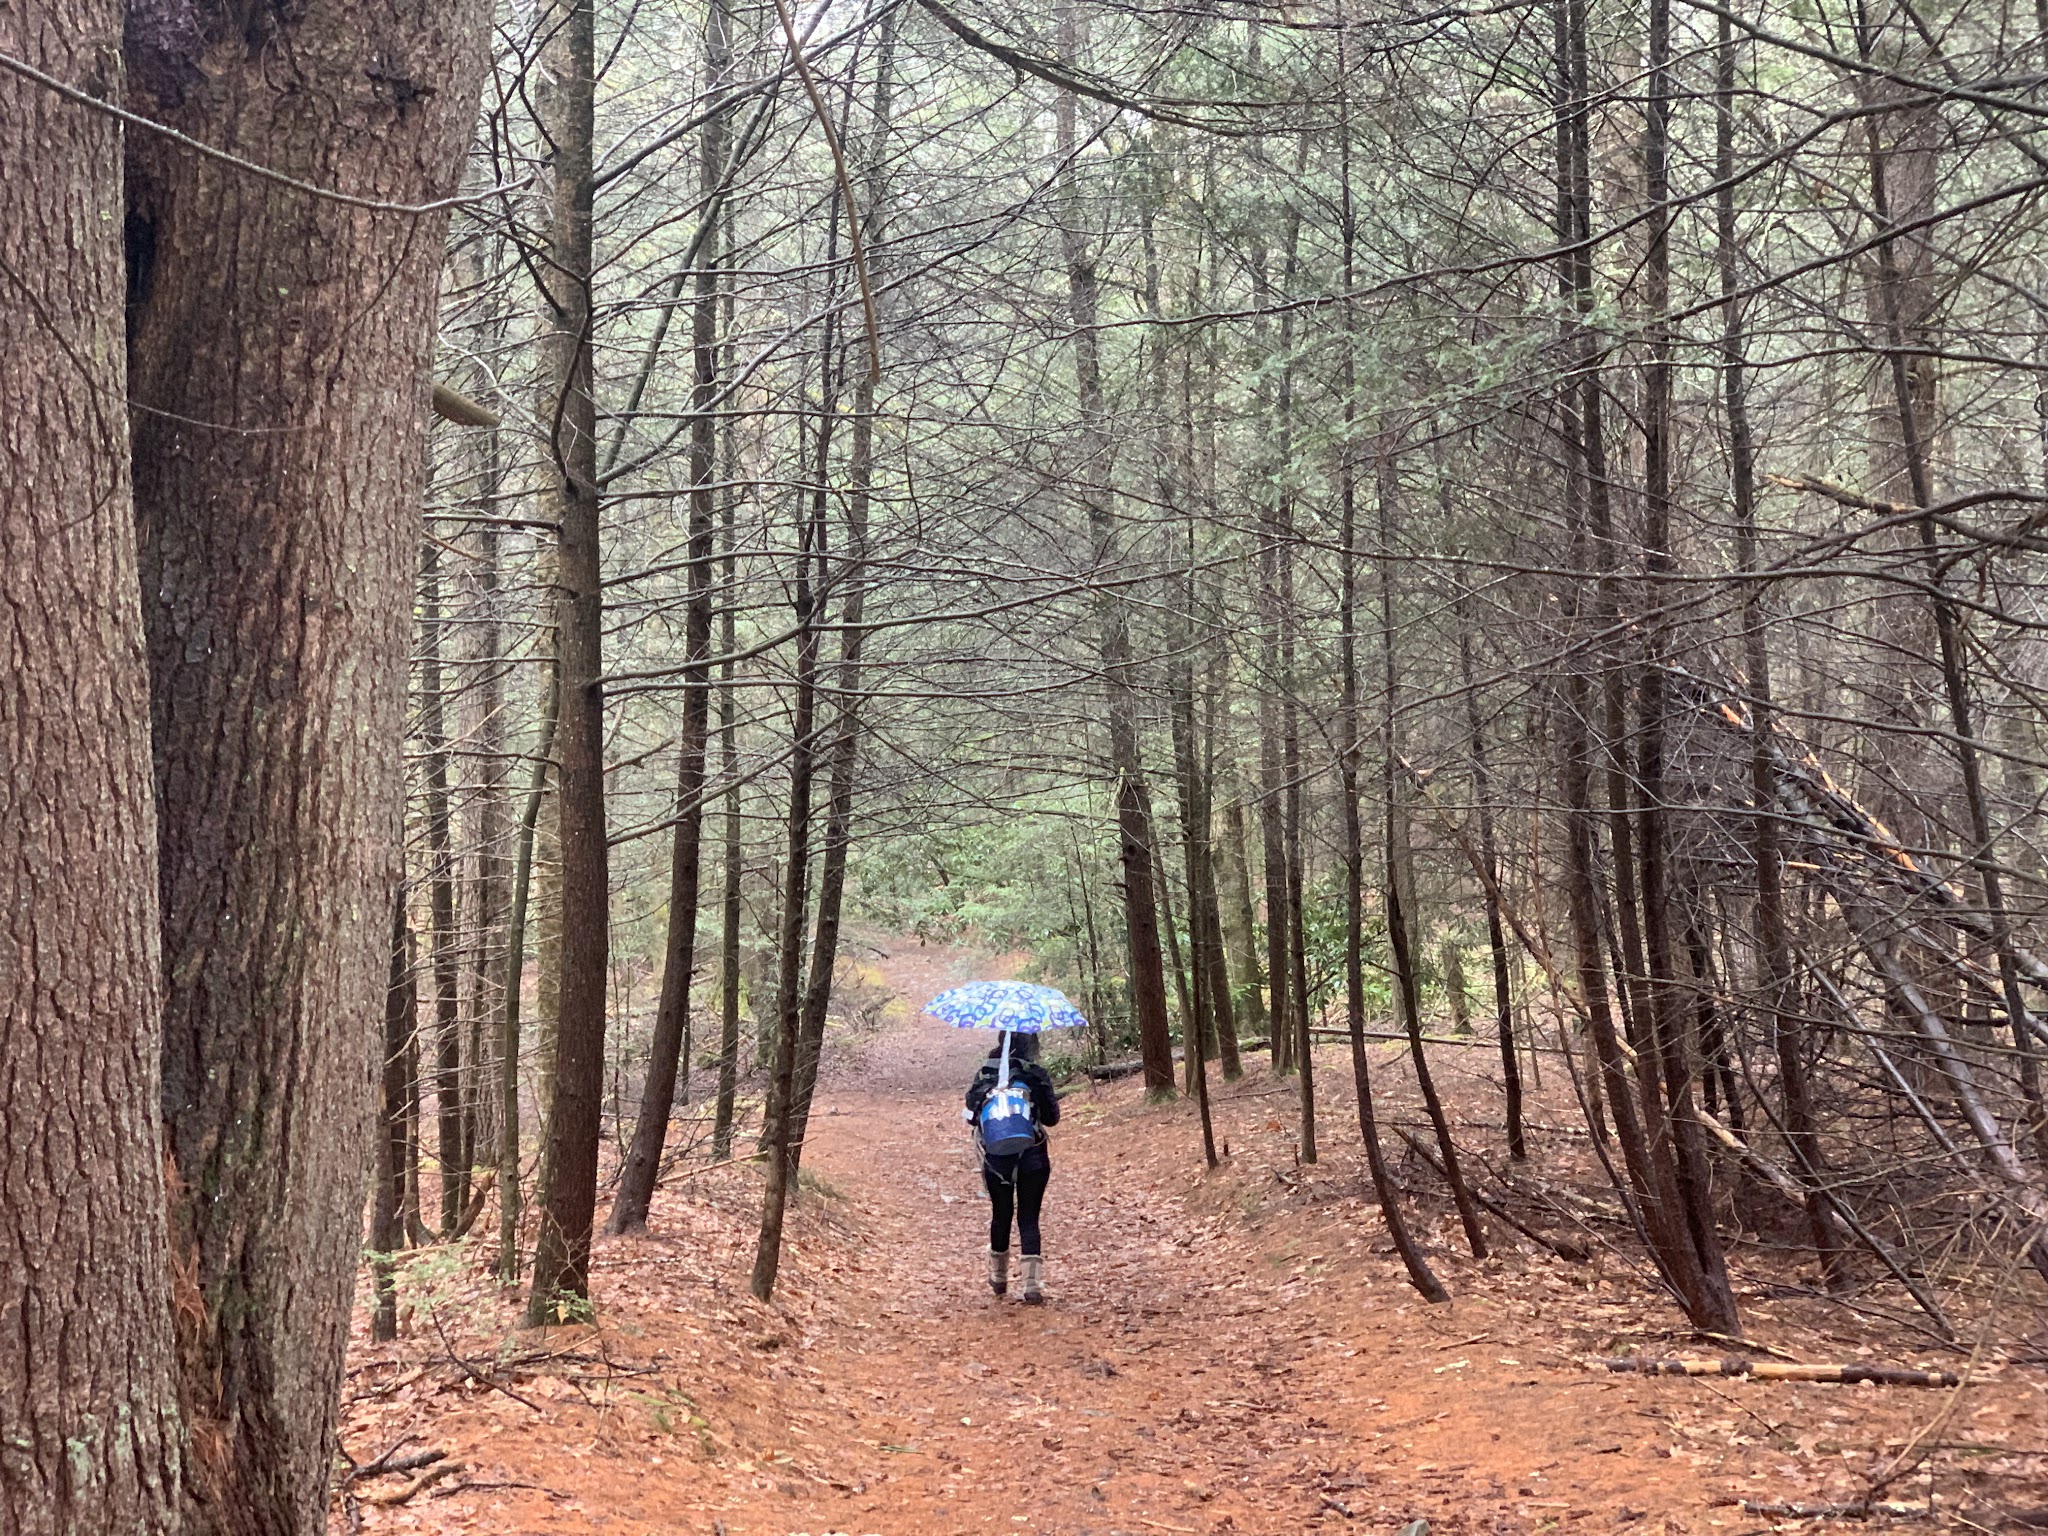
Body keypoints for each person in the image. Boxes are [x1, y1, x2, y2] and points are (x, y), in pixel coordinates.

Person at [964, 1031, 1060, 1303]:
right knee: (1029, 1218)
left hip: (996, 1158)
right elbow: (1052, 1119)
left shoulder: (985, 1072)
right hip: (1033, 1156)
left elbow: (971, 1116)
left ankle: (998, 1277)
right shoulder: (1035, 1074)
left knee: (1001, 1213)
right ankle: (1032, 1285)